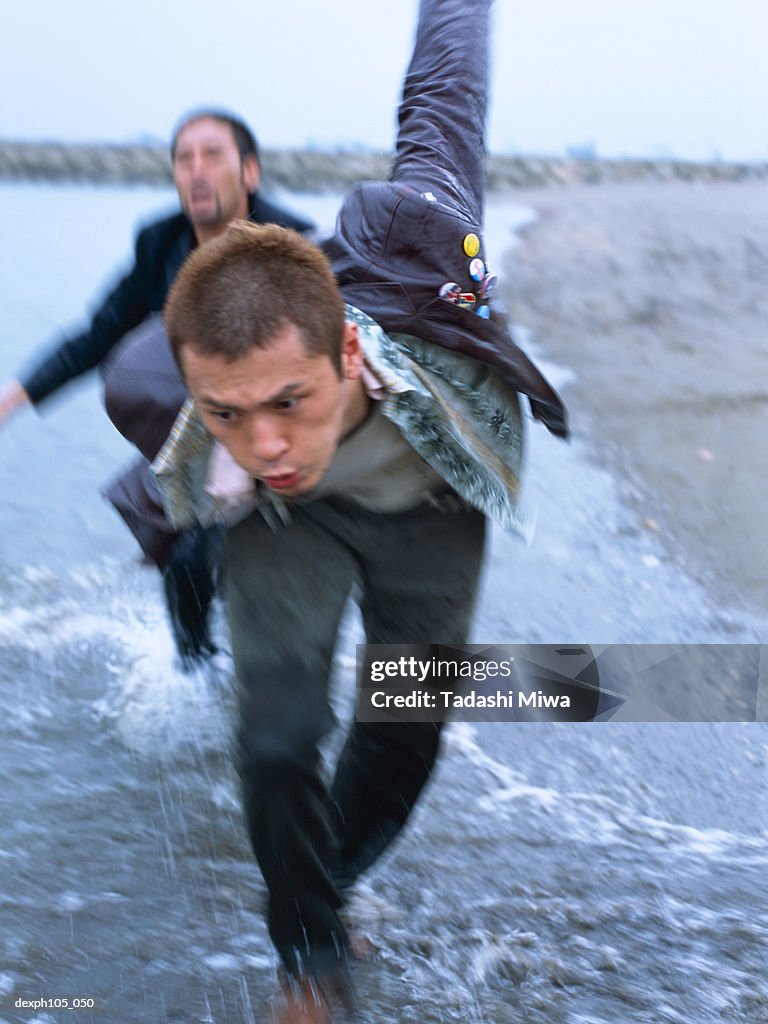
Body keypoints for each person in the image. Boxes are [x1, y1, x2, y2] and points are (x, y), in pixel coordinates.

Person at [154, 1, 567, 1019]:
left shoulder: (419, 237)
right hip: (289, 529)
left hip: (431, 493)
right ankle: (309, 961)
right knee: (279, 737)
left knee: (406, 720)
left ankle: (326, 888)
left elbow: (444, 94)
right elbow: (189, 449)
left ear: (344, 358)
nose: (267, 444)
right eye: (229, 414)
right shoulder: (239, 459)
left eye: (288, 403)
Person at [0, 110, 315, 668]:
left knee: (231, 568)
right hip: (206, 440)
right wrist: (10, 400)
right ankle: (204, 685)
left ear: (249, 173)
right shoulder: (161, 243)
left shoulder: (293, 246)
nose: (195, 170)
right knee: (186, 567)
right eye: (183, 158)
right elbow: (97, 335)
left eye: (212, 156)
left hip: (286, 444)